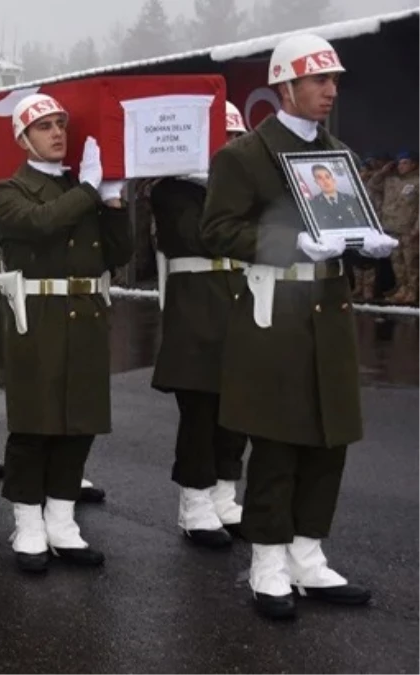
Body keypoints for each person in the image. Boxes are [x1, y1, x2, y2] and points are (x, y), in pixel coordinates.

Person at [199, 33, 394, 620]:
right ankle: (267, 561)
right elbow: (217, 231)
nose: (330, 90)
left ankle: (308, 556)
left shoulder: (338, 153)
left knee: (327, 440)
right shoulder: (245, 156)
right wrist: (289, 243)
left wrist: (368, 247)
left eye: (334, 80)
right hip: (274, 312)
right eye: (318, 80)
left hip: (328, 311)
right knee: (279, 443)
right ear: (285, 86)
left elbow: (343, 225)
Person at [0, 93, 132, 574]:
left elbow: (118, 253)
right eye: (44, 126)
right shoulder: (7, 190)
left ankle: (63, 519)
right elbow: (40, 224)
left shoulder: (82, 187)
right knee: (35, 423)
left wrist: (113, 201)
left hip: (86, 310)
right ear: (23, 138)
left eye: (60, 125)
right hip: (39, 314)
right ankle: (28, 522)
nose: (56, 134)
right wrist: (90, 190)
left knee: (78, 422)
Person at [150, 101, 250, 549]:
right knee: (200, 412)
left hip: (240, 305)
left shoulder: (243, 191)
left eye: (236, 139)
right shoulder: (172, 190)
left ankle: (226, 493)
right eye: (223, 138)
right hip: (195, 311)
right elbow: (202, 237)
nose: (230, 147)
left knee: (238, 409)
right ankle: (194, 502)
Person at [367, 151, 420, 303]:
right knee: (397, 263)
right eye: (399, 163)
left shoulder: (417, 181)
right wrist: (383, 171)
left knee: (411, 263)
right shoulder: (390, 179)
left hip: (409, 230)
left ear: (413, 164)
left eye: (405, 163)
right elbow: (372, 184)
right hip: (391, 227)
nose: (401, 166)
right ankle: (402, 288)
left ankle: (413, 291)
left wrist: (417, 228)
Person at [308, 164, 368, 231]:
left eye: (327, 177)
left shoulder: (351, 200)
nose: (325, 181)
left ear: (333, 180)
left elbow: (364, 225)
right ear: (316, 182)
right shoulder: (313, 204)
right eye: (320, 178)